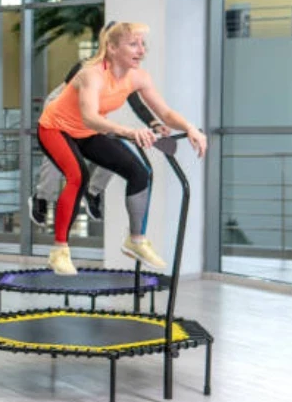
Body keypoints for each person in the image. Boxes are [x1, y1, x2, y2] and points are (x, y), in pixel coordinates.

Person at [37, 22, 207, 275]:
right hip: (55, 128)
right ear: (112, 48)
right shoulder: (90, 73)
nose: (142, 50)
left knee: (139, 172)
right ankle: (59, 252)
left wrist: (190, 127)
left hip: (85, 133)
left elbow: (166, 113)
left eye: (143, 44)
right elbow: (91, 118)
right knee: (78, 176)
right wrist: (130, 132)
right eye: (133, 44)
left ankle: (136, 241)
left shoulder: (138, 77)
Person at [30, 60, 171, 226]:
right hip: (62, 104)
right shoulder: (88, 67)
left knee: (113, 146)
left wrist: (154, 123)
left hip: (90, 108)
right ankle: (43, 198)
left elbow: (136, 103)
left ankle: (93, 192)